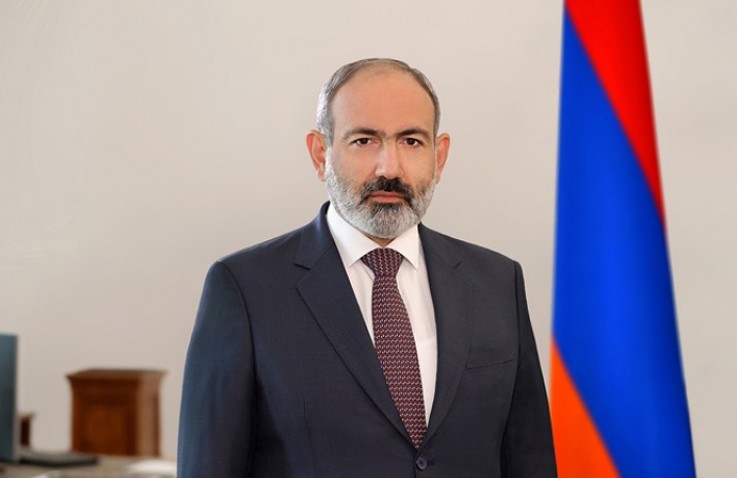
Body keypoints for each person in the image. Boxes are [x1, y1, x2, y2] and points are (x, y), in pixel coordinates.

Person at [177, 58, 556, 477]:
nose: (389, 168)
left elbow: (530, 462)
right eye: (364, 140)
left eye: (411, 141)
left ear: (440, 156)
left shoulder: (497, 283)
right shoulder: (245, 289)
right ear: (320, 154)